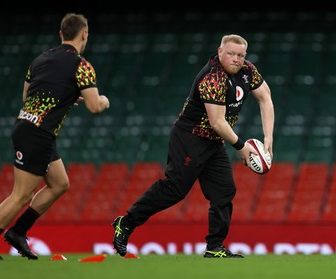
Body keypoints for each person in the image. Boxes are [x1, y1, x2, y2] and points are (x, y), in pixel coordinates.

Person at [112, 34, 274, 258]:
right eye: (231, 54)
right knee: (175, 189)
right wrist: (240, 146)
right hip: (189, 138)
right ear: (220, 52)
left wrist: (268, 139)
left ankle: (215, 247)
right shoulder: (212, 78)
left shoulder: (247, 70)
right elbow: (217, 122)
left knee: (224, 191)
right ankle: (126, 222)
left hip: (214, 142)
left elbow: (265, 97)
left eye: (240, 55)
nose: (236, 59)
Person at [0, 13, 110, 262]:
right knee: (21, 194)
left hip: (28, 125)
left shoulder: (40, 59)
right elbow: (95, 106)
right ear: (84, 34)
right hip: (38, 133)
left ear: (61, 35)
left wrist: (65, 96)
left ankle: (18, 232)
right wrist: (104, 101)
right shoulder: (82, 65)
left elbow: (27, 96)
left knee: (60, 183)